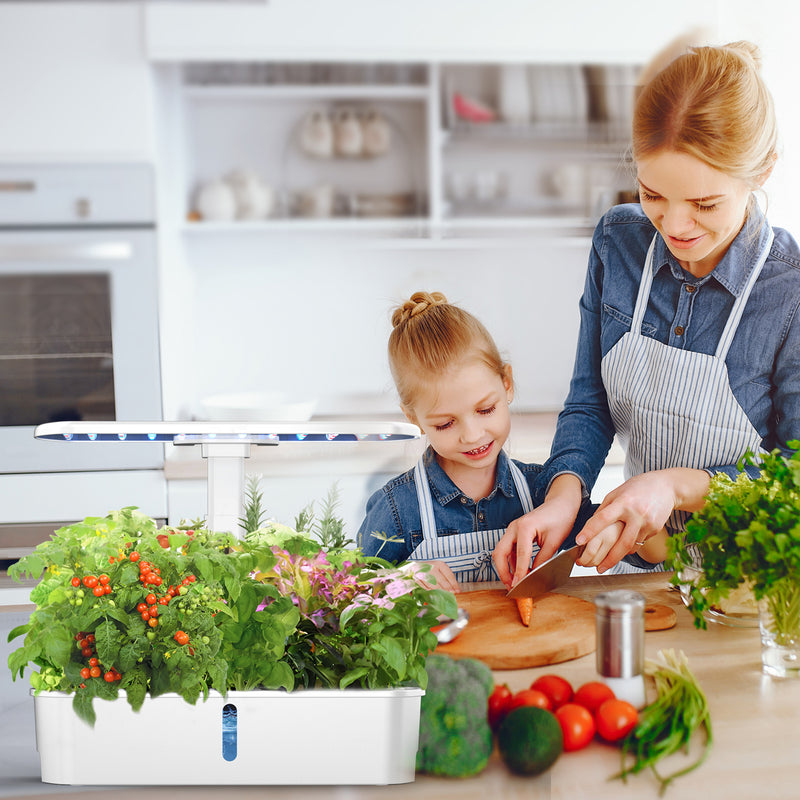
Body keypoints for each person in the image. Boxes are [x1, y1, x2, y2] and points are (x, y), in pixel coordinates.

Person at [493, 40, 800, 588]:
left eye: (704, 204)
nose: (675, 225)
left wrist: (674, 487)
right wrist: (563, 499)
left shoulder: (789, 289)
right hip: (642, 578)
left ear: (763, 171)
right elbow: (590, 404)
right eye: (653, 194)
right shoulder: (619, 242)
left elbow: (793, 479)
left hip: (754, 594)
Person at [357, 291, 602, 593]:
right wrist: (399, 581)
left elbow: (637, 542)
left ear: (507, 384)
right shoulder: (397, 508)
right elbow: (351, 597)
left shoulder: (544, 491)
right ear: (413, 418)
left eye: (485, 410)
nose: (472, 435)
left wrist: (627, 522)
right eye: (445, 424)